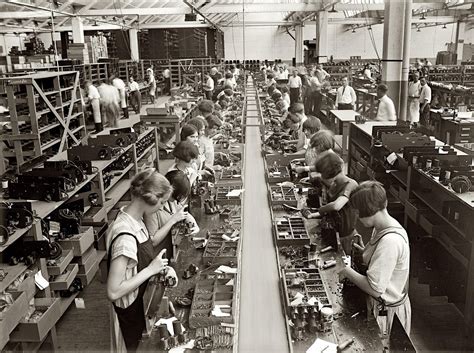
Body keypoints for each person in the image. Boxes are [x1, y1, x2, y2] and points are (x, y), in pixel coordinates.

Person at [107, 168, 179, 352]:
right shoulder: (125, 235)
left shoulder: (135, 220)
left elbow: (136, 264)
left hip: (140, 301)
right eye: (162, 202)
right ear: (151, 199)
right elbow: (113, 291)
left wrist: (161, 267)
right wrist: (151, 270)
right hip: (129, 312)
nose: (162, 207)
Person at [339, 181, 411, 343]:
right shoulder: (383, 227)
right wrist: (364, 252)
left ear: (369, 211)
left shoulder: (390, 241)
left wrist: (346, 271)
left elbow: (375, 288)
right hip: (380, 304)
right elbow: (382, 264)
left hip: (386, 313)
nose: (357, 218)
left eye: (358, 213)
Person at [304, 151, 358, 254]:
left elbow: (336, 206)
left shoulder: (351, 185)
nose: (322, 178)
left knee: (344, 262)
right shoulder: (333, 183)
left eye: (324, 175)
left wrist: (320, 210)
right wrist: (313, 215)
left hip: (345, 236)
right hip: (330, 230)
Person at [143, 170, 199, 259]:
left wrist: (195, 225)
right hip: (160, 257)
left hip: (174, 250)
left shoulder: (171, 201)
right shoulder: (152, 207)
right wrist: (173, 220)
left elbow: (183, 213)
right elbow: (153, 241)